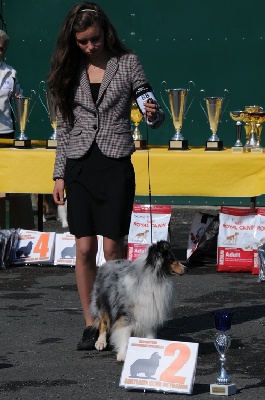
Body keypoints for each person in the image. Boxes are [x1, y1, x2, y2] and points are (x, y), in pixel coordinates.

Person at [48, 1, 165, 351]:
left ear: (105, 33)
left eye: (94, 39)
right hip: (79, 165)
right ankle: (91, 321)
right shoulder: (70, 68)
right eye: (82, 41)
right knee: (84, 248)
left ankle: (118, 320)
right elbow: (65, 127)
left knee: (113, 248)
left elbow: (151, 109)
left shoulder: (127, 63)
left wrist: (152, 114)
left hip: (115, 164)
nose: (89, 47)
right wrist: (59, 175)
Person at [0, 30, 23, 139]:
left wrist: (19, 98)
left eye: (0, 48)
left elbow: (19, 96)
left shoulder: (11, 73)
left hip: (5, 130)